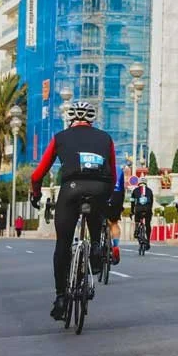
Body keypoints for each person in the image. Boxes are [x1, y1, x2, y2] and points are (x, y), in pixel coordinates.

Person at [29, 101, 116, 321]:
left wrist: (36, 193)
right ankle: (96, 247)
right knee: (96, 210)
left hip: (72, 189)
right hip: (100, 187)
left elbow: (37, 174)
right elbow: (113, 174)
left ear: (70, 119)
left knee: (63, 244)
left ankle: (60, 297)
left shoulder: (60, 137)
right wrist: (107, 194)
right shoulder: (106, 138)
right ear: (92, 120)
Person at [105, 162, 125, 265]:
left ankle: (97, 246)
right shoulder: (119, 169)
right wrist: (120, 205)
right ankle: (116, 246)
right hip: (116, 195)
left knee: (97, 221)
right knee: (114, 223)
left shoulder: (98, 163)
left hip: (103, 194)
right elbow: (122, 189)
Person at [130, 177, 155, 251]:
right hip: (147, 209)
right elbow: (151, 202)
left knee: (137, 218)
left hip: (138, 209)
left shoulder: (135, 190)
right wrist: (150, 211)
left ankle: (137, 229)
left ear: (139, 183)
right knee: (147, 224)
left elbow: (132, 202)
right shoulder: (150, 190)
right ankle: (148, 241)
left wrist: (132, 211)